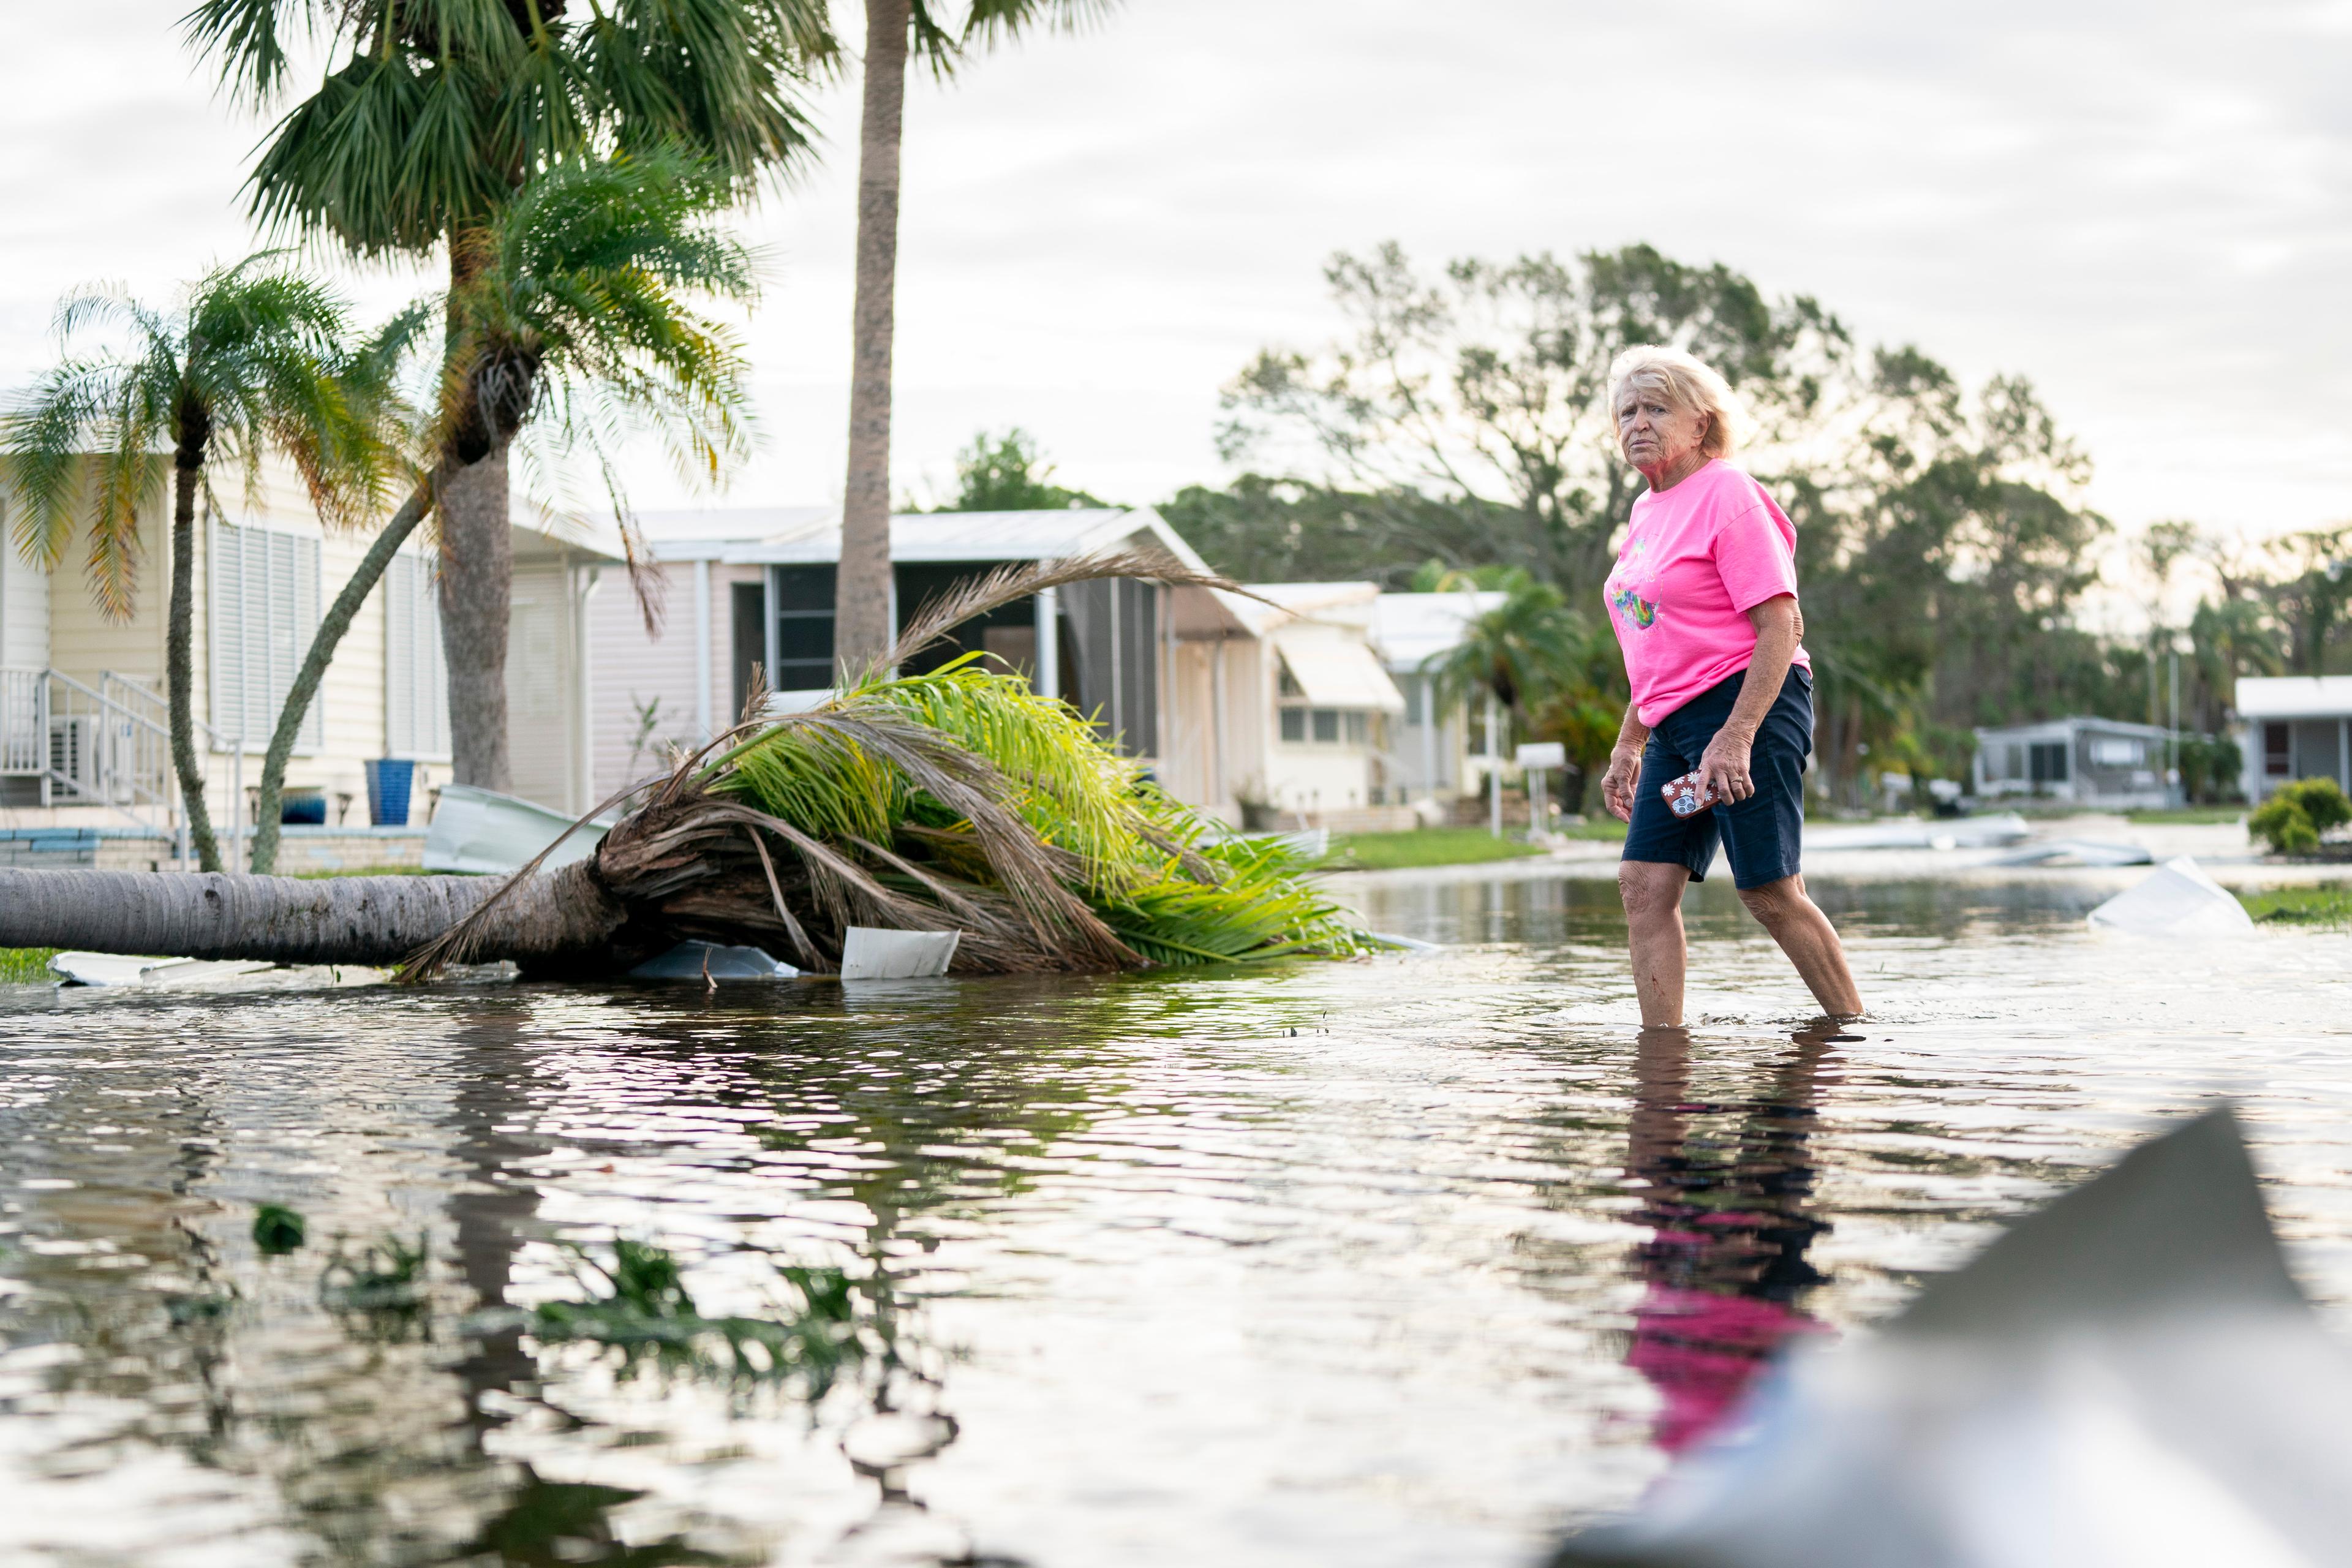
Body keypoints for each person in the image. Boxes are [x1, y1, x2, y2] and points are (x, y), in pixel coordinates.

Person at [1597, 346, 1863, 1027]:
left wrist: (1736, 734)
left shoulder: (1729, 493)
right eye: (1627, 411)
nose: (1638, 423)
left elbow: (1782, 622)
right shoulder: (1645, 512)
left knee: (1770, 890)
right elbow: (1657, 643)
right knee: (1643, 886)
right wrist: (1629, 744)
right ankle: (1664, 1056)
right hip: (1676, 719)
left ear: (1701, 423)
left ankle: (1855, 1035)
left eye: (1657, 408)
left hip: (1750, 702)